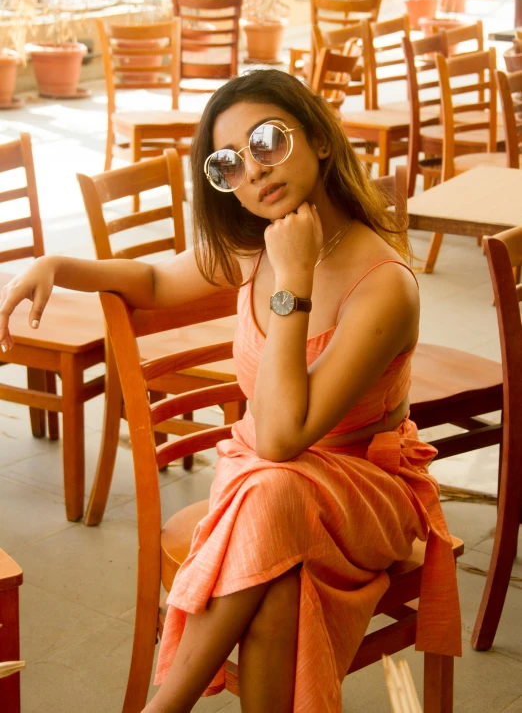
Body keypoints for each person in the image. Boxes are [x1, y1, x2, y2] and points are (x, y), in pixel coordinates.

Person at [0, 69, 461, 713]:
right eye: (229, 164)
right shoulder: (252, 250)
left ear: (319, 139)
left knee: (274, 491)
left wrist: (294, 277)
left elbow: (278, 439)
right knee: (276, 580)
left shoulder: (383, 284)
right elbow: (156, 284)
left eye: (269, 141)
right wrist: (57, 264)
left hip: (365, 491)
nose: (256, 171)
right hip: (267, 490)